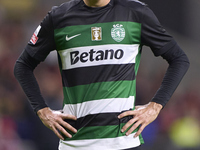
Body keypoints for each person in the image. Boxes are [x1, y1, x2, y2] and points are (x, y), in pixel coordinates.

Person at [14, 0, 190, 149]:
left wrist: (155, 106)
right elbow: (22, 66)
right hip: (75, 143)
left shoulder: (135, 13)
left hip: (123, 142)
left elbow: (179, 59)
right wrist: (42, 111)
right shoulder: (59, 17)